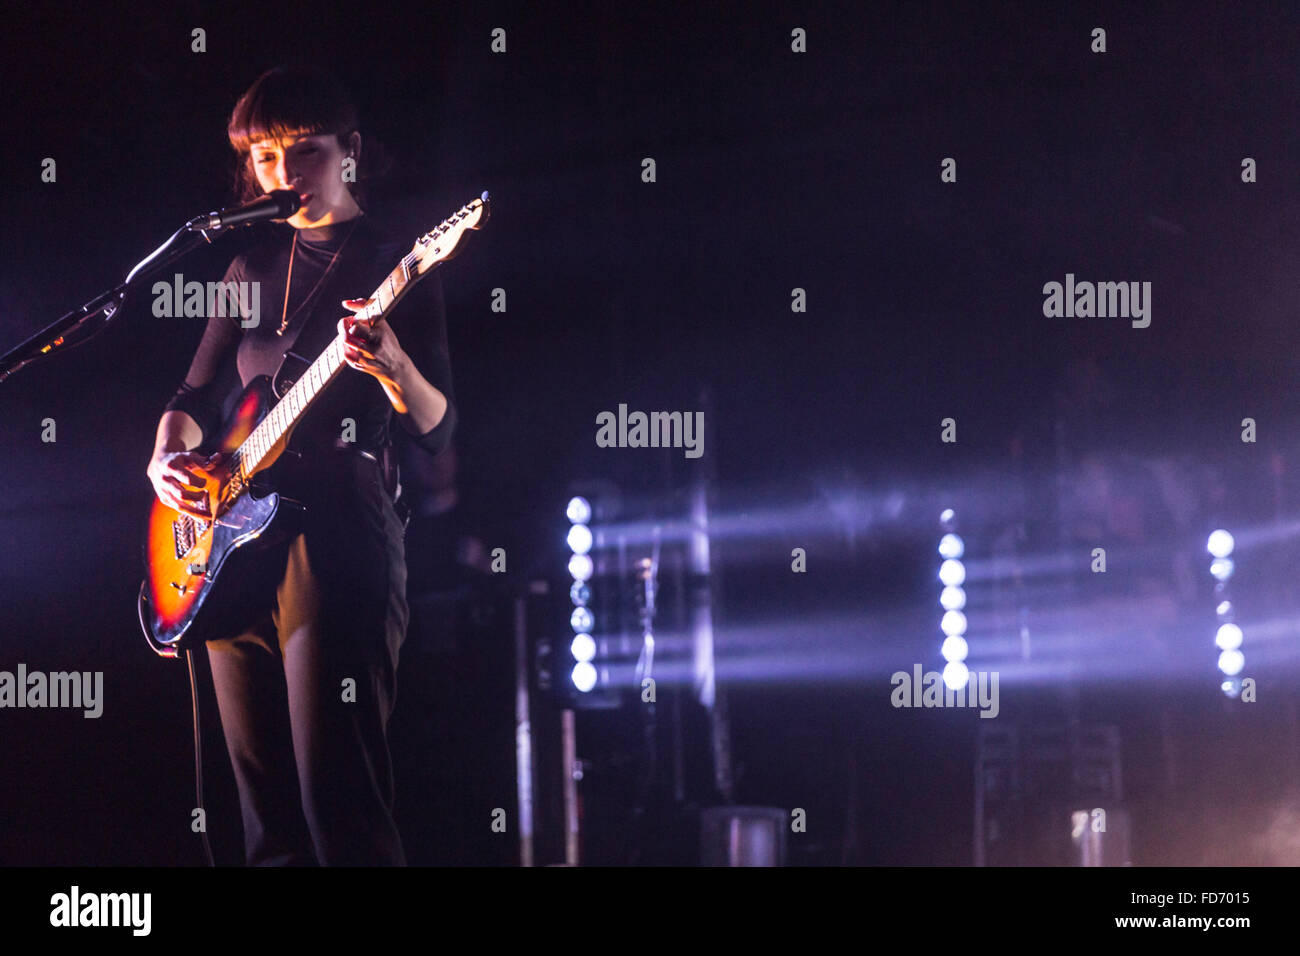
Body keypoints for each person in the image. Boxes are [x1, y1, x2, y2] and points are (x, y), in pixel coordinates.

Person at [145, 66, 456, 865]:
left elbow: (435, 424)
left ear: (350, 151)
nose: (281, 175)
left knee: (338, 803)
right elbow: (191, 394)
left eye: (305, 151)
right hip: (231, 541)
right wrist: (164, 456)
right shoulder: (247, 271)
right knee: (264, 822)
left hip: (340, 532)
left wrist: (389, 365)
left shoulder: (395, 263)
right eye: (264, 156)